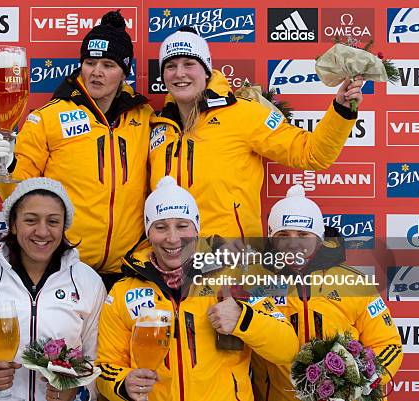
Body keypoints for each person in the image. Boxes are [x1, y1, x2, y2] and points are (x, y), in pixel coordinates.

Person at [0, 10, 155, 289]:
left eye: (108, 64)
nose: (96, 72)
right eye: (90, 63)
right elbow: (18, 192)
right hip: (66, 265)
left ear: (125, 72)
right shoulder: (49, 117)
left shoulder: (144, 116)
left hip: (128, 270)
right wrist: (7, 165)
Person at [149, 26, 365, 241]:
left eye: (189, 64)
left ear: (206, 70)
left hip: (230, 263)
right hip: (172, 260)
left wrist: (342, 110)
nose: (179, 73)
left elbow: (312, 153)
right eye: (170, 66)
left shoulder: (244, 114)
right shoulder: (158, 127)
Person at [96, 176, 299, 401]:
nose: (173, 238)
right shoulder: (123, 291)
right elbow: (106, 367)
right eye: (160, 227)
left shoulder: (236, 276)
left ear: (197, 229)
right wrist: (123, 384)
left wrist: (244, 319)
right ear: (148, 232)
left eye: (182, 226)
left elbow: (287, 348)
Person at [0, 177, 106, 401]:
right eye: (31, 220)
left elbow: (99, 360)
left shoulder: (88, 281)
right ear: (13, 224)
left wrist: (77, 390)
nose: (42, 232)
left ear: (64, 226)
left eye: (53, 222)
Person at [251, 184, 403, 401]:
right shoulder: (257, 283)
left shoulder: (355, 283)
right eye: (283, 234)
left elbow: (388, 344)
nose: (293, 244)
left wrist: (365, 381)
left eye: (303, 234)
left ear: (319, 238)